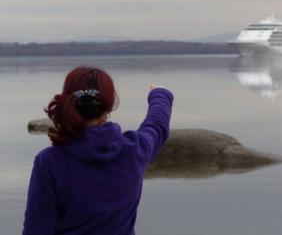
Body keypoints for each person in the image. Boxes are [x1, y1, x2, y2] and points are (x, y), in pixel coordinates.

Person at [22, 66, 174, 235]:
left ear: (69, 103)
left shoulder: (49, 161)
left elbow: (36, 229)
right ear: (108, 107)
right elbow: (157, 125)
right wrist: (160, 94)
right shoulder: (134, 150)